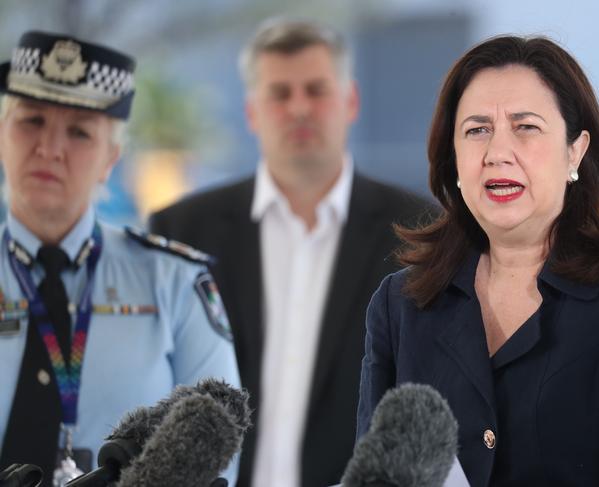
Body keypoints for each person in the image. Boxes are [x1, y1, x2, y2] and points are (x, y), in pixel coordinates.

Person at [149, 17, 436, 487]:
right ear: (252, 112)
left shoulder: (420, 234)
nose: (299, 108)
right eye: (280, 93)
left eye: (316, 89)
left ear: (351, 102)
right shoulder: (181, 230)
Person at [356, 34, 599, 487]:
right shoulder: (402, 305)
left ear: (576, 149)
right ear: (453, 159)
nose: (497, 153)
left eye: (525, 126)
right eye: (477, 130)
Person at [0, 31, 241, 486]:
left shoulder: (174, 282)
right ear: (2, 133)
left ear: (111, 158)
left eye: (79, 132)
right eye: (31, 120)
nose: (50, 148)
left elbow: (219, 448)